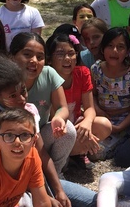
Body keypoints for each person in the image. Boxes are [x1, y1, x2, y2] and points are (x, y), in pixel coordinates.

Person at [0, 50, 94, 207]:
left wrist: (58, 190)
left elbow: (42, 154)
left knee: (93, 202)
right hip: (11, 190)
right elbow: (11, 169)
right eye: (13, 96)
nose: (22, 99)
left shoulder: (30, 111)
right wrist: (46, 199)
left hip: (35, 180)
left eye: (23, 91)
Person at [8, 33, 78, 178]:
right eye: (27, 55)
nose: (34, 61)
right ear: (12, 57)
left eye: (40, 57)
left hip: (40, 136)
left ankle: (55, 173)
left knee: (69, 130)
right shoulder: (4, 80)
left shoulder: (49, 74)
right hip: (12, 140)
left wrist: (58, 118)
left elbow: (62, 107)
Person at [46, 33, 112, 165]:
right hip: (56, 130)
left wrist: (87, 122)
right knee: (68, 134)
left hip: (76, 124)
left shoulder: (82, 73)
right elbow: (54, 118)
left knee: (104, 125)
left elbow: (89, 108)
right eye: (60, 54)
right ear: (50, 59)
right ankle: (71, 154)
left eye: (71, 53)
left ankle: (73, 154)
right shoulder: (47, 78)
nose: (67, 58)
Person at [90, 27, 130, 162]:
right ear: (102, 49)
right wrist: (98, 110)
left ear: (127, 51)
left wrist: (119, 127)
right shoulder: (96, 70)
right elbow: (92, 95)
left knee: (97, 153)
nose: (114, 51)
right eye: (110, 46)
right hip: (100, 118)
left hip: (123, 123)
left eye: (120, 47)